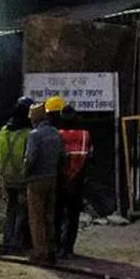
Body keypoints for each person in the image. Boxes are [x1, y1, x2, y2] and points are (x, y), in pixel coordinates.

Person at [24, 101, 64, 264]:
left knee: (36, 218)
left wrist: (25, 172)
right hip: (52, 178)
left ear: (34, 119)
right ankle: (52, 249)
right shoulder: (56, 133)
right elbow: (62, 157)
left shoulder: (34, 135)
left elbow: (30, 159)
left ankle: (40, 252)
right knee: (49, 216)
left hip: (36, 180)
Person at [0, 97, 33, 254]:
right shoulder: (28, 133)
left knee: (10, 209)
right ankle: (16, 243)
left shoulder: (3, 130)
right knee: (21, 210)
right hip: (22, 178)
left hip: (7, 176)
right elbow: (30, 156)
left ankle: (7, 240)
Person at [55, 105, 92, 258]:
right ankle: (68, 249)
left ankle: (57, 247)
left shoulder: (57, 135)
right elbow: (90, 157)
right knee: (72, 217)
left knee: (57, 216)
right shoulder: (85, 135)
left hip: (60, 181)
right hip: (77, 182)